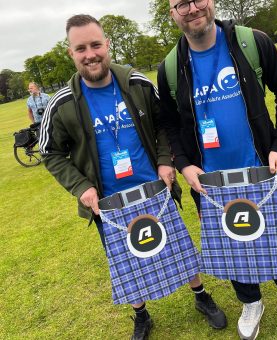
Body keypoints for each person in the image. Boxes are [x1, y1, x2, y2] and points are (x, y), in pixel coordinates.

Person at [39, 14, 226, 340]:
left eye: (96, 44)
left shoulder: (137, 82)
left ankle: (201, 296)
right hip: (108, 204)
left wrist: (167, 161)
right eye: (81, 48)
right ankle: (141, 316)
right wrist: (81, 186)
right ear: (71, 53)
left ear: (107, 45)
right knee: (126, 261)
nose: (90, 54)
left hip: (154, 191)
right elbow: (50, 152)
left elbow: (165, 124)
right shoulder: (62, 103)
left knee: (178, 248)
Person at [157, 1, 277, 339]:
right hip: (211, 184)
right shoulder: (170, 67)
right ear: (172, 14)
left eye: (197, 0)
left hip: (263, 174)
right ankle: (251, 302)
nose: (192, 9)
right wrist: (185, 164)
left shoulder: (253, 42)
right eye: (181, 3)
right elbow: (168, 122)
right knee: (232, 244)